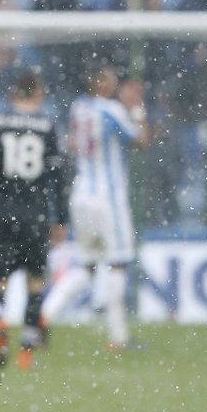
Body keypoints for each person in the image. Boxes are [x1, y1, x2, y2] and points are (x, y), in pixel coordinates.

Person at [0, 71, 67, 371]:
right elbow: (58, 177)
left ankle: (0, 320)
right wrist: (60, 219)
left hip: (4, 211)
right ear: (39, 94)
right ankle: (26, 351)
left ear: (13, 95)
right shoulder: (47, 126)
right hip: (36, 214)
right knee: (35, 282)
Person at [64, 65, 148, 353]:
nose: (114, 84)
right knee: (119, 263)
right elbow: (139, 139)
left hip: (81, 193)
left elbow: (73, 143)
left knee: (86, 267)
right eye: (110, 80)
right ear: (100, 84)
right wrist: (136, 108)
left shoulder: (78, 108)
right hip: (107, 197)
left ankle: (43, 317)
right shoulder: (110, 110)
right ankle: (118, 336)